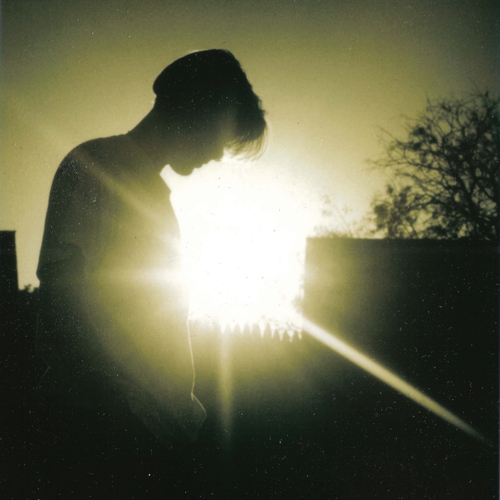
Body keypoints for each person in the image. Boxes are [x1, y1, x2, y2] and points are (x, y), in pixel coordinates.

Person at [35, 49, 267, 459]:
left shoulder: (156, 199)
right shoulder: (93, 167)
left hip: (155, 430)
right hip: (119, 435)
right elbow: (62, 300)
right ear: (195, 111)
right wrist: (119, 414)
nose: (218, 154)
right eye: (221, 135)